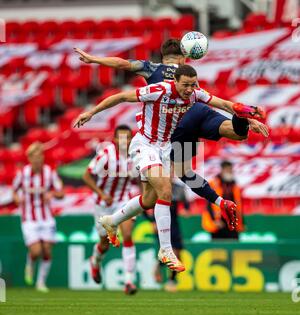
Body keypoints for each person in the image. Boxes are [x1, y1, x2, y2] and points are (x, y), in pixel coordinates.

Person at [73, 64, 264, 273]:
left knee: (149, 200)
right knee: (166, 189)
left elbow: (225, 104)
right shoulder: (159, 90)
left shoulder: (195, 94)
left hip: (164, 148)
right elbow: (121, 97)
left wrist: (249, 120)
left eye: (192, 84)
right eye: (185, 85)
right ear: (176, 82)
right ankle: (165, 250)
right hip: (144, 145)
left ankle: (112, 220)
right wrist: (91, 112)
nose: (189, 89)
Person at [82, 125, 137, 294]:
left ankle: (129, 281)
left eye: (127, 138)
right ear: (114, 139)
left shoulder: (136, 155)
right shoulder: (106, 156)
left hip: (124, 200)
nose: (124, 141)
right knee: (104, 244)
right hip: (103, 204)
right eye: (121, 138)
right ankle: (95, 261)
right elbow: (86, 175)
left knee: (127, 235)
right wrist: (101, 194)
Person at [12, 142, 64, 292]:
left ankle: (41, 283)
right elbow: (14, 191)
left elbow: (61, 193)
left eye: (39, 156)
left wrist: (52, 194)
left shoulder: (49, 173)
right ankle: (30, 262)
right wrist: (17, 199)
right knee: (36, 251)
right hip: (29, 218)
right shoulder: (22, 174)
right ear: (29, 158)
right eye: (34, 157)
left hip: (46, 217)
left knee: (47, 250)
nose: (37, 160)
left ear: (42, 157)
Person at [202, 160, 244, 240]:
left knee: (234, 245)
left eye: (230, 170)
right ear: (222, 170)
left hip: (232, 221)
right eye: (227, 169)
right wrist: (214, 220)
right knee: (218, 248)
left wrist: (241, 222)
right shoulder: (214, 183)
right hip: (219, 222)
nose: (230, 172)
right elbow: (209, 204)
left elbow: (238, 204)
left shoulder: (234, 185)